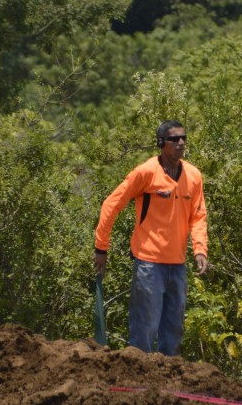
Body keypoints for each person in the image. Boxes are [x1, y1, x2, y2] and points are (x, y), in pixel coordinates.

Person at [93, 120, 209, 355]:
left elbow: (198, 217)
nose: (181, 143)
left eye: (183, 138)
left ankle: (168, 389)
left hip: (177, 266)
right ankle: (138, 388)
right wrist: (101, 248)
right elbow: (111, 205)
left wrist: (200, 249)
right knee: (144, 332)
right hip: (148, 264)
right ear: (161, 143)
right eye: (174, 139)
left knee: (173, 332)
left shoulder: (193, 176)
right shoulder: (146, 172)